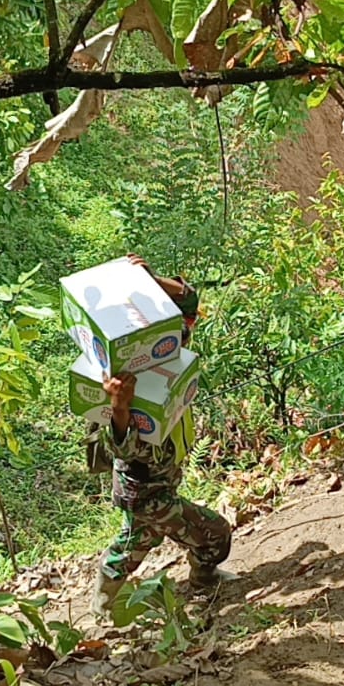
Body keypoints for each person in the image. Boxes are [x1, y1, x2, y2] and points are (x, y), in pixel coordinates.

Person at [90, 256, 235, 615]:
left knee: (136, 541)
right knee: (215, 534)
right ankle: (203, 581)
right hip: (144, 491)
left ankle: (104, 603)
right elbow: (123, 447)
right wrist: (120, 407)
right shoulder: (125, 383)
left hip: (157, 487)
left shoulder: (167, 350)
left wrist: (151, 280)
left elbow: (188, 303)